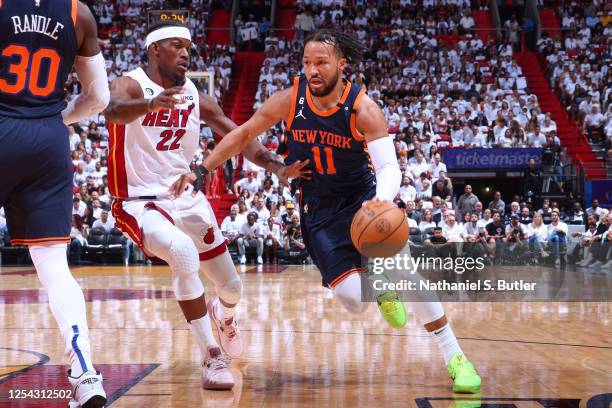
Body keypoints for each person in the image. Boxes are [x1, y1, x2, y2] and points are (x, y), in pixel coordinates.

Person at [197, 29, 481, 393]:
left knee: (406, 274)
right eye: (306, 62)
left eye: (320, 62)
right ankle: (379, 287)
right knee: (352, 300)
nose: (311, 70)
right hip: (319, 211)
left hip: (363, 199)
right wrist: (205, 167)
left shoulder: (363, 108)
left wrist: (380, 202)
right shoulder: (289, 100)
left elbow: (390, 168)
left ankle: (455, 356)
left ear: (341, 65)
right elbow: (242, 134)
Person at [104, 20, 307, 390]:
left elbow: (239, 134)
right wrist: (148, 103)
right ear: (154, 49)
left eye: (188, 47)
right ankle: (212, 355)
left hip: (186, 199)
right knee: (182, 253)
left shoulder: (194, 95)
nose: (186, 53)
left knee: (231, 288)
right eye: (177, 45)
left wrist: (276, 166)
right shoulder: (129, 82)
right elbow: (113, 109)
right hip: (139, 200)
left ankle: (223, 314)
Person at [0, 1, 109, 405]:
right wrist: (51, 121)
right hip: (48, 141)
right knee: (55, 267)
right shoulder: (78, 13)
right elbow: (98, 98)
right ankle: (85, 375)